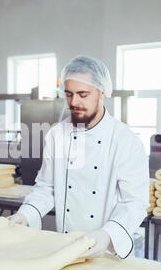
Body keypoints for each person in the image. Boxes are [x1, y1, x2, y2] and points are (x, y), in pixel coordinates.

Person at [9, 55, 149, 259]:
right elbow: (46, 188)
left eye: (83, 94)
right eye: (69, 94)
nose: (74, 102)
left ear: (102, 92)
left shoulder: (125, 140)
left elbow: (134, 202)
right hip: (65, 246)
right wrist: (25, 215)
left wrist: (107, 235)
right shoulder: (57, 134)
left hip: (107, 251)